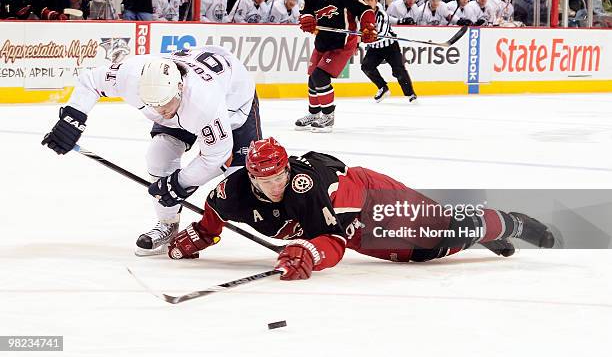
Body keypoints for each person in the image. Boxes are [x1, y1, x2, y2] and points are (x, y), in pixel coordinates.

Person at [167, 138, 555, 281]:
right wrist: (203, 234)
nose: (276, 185)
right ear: (250, 180)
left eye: (280, 175)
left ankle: (511, 223)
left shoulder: (305, 187)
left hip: (365, 199)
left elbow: (333, 240)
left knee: (439, 235)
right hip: (346, 227)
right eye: (266, 181)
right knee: (422, 256)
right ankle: (478, 234)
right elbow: (214, 215)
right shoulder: (231, 191)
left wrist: (309, 253)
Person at [41, 46, 262, 256]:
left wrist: (179, 184)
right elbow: (90, 80)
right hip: (186, 103)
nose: (160, 112)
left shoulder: (204, 104)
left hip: (234, 101)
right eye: (153, 105)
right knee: (159, 158)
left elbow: (218, 157)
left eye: (164, 104)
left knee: (242, 182)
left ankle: (290, 227)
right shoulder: (132, 76)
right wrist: (72, 119)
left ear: (180, 87)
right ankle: (167, 225)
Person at [295, 0, 376, 133]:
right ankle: (314, 114)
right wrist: (307, 19)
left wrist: (368, 26)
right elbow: (306, 12)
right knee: (312, 79)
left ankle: (328, 117)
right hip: (323, 41)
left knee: (320, 76)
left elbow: (365, 10)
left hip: (343, 43)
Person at [361, 0, 416, 103]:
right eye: (367, 0)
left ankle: (410, 94)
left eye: (371, 0)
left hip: (390, 46)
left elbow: (382, 34)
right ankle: (383, 87)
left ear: (376, 1)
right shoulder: (361, 14)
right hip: (375, 48)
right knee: (366, 66)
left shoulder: (382, 15)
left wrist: (364, 39)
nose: (369, 2)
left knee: (398, 70)